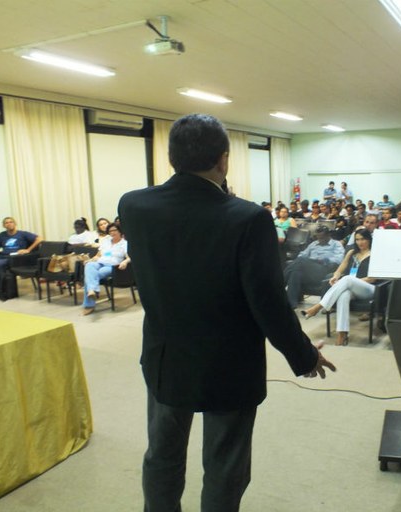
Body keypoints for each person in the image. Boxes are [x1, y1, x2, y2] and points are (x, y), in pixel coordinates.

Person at [118, 114, 335, 512]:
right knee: (224, 465)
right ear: (224, 159)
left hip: (166, 356)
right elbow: (268, 302)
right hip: (229, 363)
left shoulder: (133, 205)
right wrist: (303, 355)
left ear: (171, 158)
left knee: (162, 455)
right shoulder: (248, 217)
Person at [301, 229, 375, 346]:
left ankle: (318, 306)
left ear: (369, 240)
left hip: (369, 288)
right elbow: (340, 269)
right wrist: (335, 277)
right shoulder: (351, 252)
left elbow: (372, 278)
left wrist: (352, 281)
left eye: (363, 239)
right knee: (343, 295)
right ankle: (342, 334)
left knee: (347, 279)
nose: (360, 242)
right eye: (357, 239)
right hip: (350, 287)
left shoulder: (375, 254)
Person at [283, 225, 345, 307]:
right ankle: (291, 304)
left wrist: (323, 259)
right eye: (318, 237)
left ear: (328, 235)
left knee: (300, 262)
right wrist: (309, 260)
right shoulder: (314, 244)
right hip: (309, 268)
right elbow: (302, 255)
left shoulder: (336, 244)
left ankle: (278, 286)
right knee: (296, 271)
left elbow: (339, 259)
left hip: (324, 268)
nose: (320, 240)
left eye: (322, 238)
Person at [81, 223, 129, 315]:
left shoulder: (124, 243)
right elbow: (99, 255)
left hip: (113, 266)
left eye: (115, 230)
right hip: (100, 262)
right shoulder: (106, 241)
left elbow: (129, 257)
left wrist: (125, 262)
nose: (112, 232)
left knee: (91, 275)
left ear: (120, 231)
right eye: (110, 231)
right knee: (89, 265)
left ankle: (89, 303)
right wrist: (90, 260)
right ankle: (92, 291)